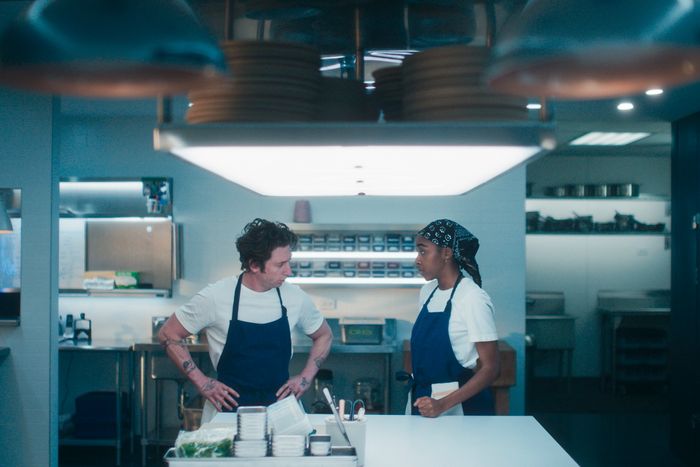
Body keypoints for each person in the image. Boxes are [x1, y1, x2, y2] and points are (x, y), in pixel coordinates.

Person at [158, 218, 333, 422]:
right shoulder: (216, 297)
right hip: (227, 416)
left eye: (289, 262)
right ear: (254, 265)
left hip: (281, 415)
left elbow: (324, 335)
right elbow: (168, 334)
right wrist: (202, 383)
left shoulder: (295, 297)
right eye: (280, 264)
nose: (289, 271)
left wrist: (305, 378)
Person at [410, 219, 500, 417]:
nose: (417, 259)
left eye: (423, 251)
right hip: (424, 402)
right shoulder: (427, 292)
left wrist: (442, 404)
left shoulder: (472, 298)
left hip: (462, 410)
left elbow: (491, 368)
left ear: (446, 253)